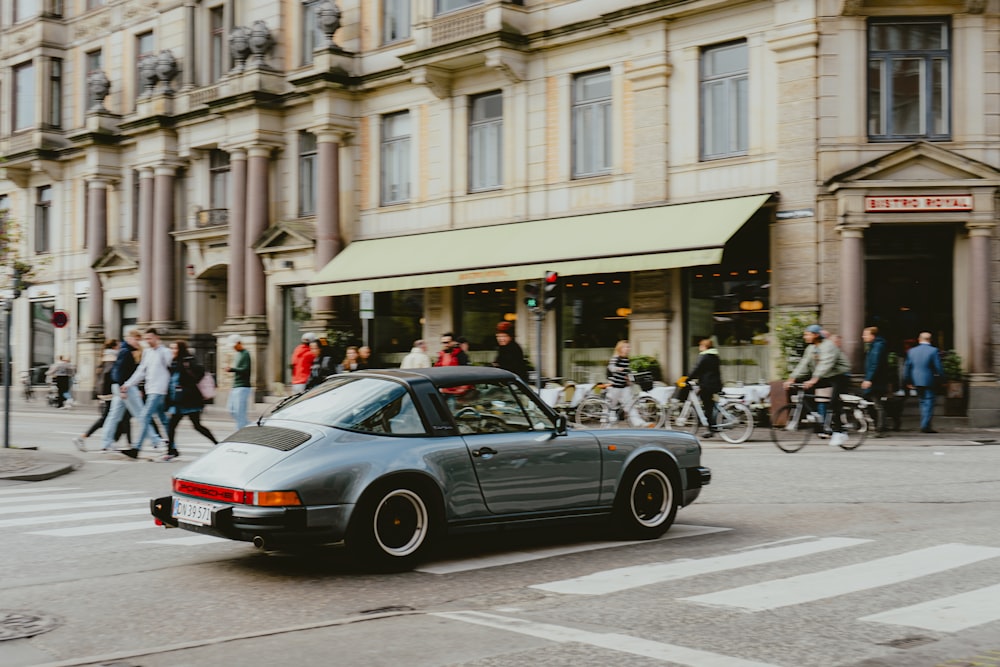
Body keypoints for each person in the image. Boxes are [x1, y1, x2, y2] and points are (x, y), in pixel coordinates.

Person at [784, 324, 851, 447]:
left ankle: (839, 432)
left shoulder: (828, 346)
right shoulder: (810, 348)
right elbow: (803, 364)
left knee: (833, 402)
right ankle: (815, 416)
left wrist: (814, 379)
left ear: (815, 335)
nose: (805, 337)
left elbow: (826, 363)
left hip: (839, 375)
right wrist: (792, 378)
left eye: (807, 334)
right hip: (824, 376)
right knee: (802, 389)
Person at [99, 329, 161, 453]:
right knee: (141, 414)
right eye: (137, 340)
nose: (139, 342)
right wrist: (124, 387)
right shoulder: (126, 352)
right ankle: (155, 440)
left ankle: (106, 442)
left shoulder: (126, 351)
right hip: (125, 387)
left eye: (139, 340)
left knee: (114, 416)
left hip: (120, 387)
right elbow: (119, 372)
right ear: (130, 339)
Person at [118, 328, 173, 459]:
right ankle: (173, 447)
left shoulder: (165, 352)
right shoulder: (147, 352)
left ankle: (136, 449)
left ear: (157, 338)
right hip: (151, 389)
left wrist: (169, 389)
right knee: (164, 420)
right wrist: (128, 384)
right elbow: (141, 371)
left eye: (150, 338)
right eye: (146, 338)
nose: (147, 341)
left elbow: (172, 370)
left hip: (159, 390)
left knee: (145, 416)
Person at [161, 340, 218, 461]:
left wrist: (186, 387)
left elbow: (200, 373)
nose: (172, 351)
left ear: (180, 349)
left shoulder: (188, 361)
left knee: (197, 426)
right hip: (178, 402)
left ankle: (217, 444)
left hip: (190, 401)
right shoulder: (173, 363)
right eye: (171, 349)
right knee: (171, 426)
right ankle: (171, 451)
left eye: (175, 349)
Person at [73, 340, 131, 452]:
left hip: (107, 394)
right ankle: (84, 438)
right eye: (118, 345)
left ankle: (111, 442)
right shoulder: (111, 358)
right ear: (114, 347)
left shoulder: (106, 357)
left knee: (116, 419)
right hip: (110, 394)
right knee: (114, 419)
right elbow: (109, 376)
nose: (120, 347)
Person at [903, 330, 943, 434]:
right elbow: (938, 367)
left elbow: (907, 366)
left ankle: (926, 424)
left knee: (922, 402)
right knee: (929, 402)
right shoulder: (933, 350)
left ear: (919, 339)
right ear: (930, 340)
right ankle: (925, 425)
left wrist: (907, 380)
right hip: (929, 380)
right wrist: (943, 379)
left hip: (916, 380)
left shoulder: (912, 351)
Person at [687, 338, 722, 438]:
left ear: (705, 346)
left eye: (700, 346)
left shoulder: (704, 356)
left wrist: (687, 378)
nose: (699, 348)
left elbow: (697, 369)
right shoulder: (715, 356)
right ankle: (712, 425)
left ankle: (711, 428)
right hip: (715, 384)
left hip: (707, 385)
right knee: (710, 405)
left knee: (707, 406)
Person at [861, 326, 890, 437]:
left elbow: (874, 364)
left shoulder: (877, 346)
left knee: (877, 405)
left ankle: (880, 429)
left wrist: (869, 379)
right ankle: (880, 427)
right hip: (877, 379)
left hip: (876, 381)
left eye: (865, 334)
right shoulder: (875, 345)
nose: (863, 336)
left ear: (872, 335)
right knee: (875, 404)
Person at [226, 334, 252, 430]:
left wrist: (232, 369)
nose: (233, 348)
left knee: (239, 412)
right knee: (232, 410)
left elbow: (246, 369)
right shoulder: (238, 354)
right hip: (236, 386)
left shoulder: (245, 354)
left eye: (234, 345)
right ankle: (247, 427)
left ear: (239, 343)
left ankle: (240, 431)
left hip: (243, 386)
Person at [606, 340, 632, 418]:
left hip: (624, 386)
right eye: (626, 347)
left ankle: (639, 422)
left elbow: (627, 371)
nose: (628, 348)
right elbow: (610, 367)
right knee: (612, 405)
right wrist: (618, 369)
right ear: (620, 348)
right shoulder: (616, 357)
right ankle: (607, 421)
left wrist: (628, 378)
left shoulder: (627, 359)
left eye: (628, 347)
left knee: (630, 404)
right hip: (615, 385)